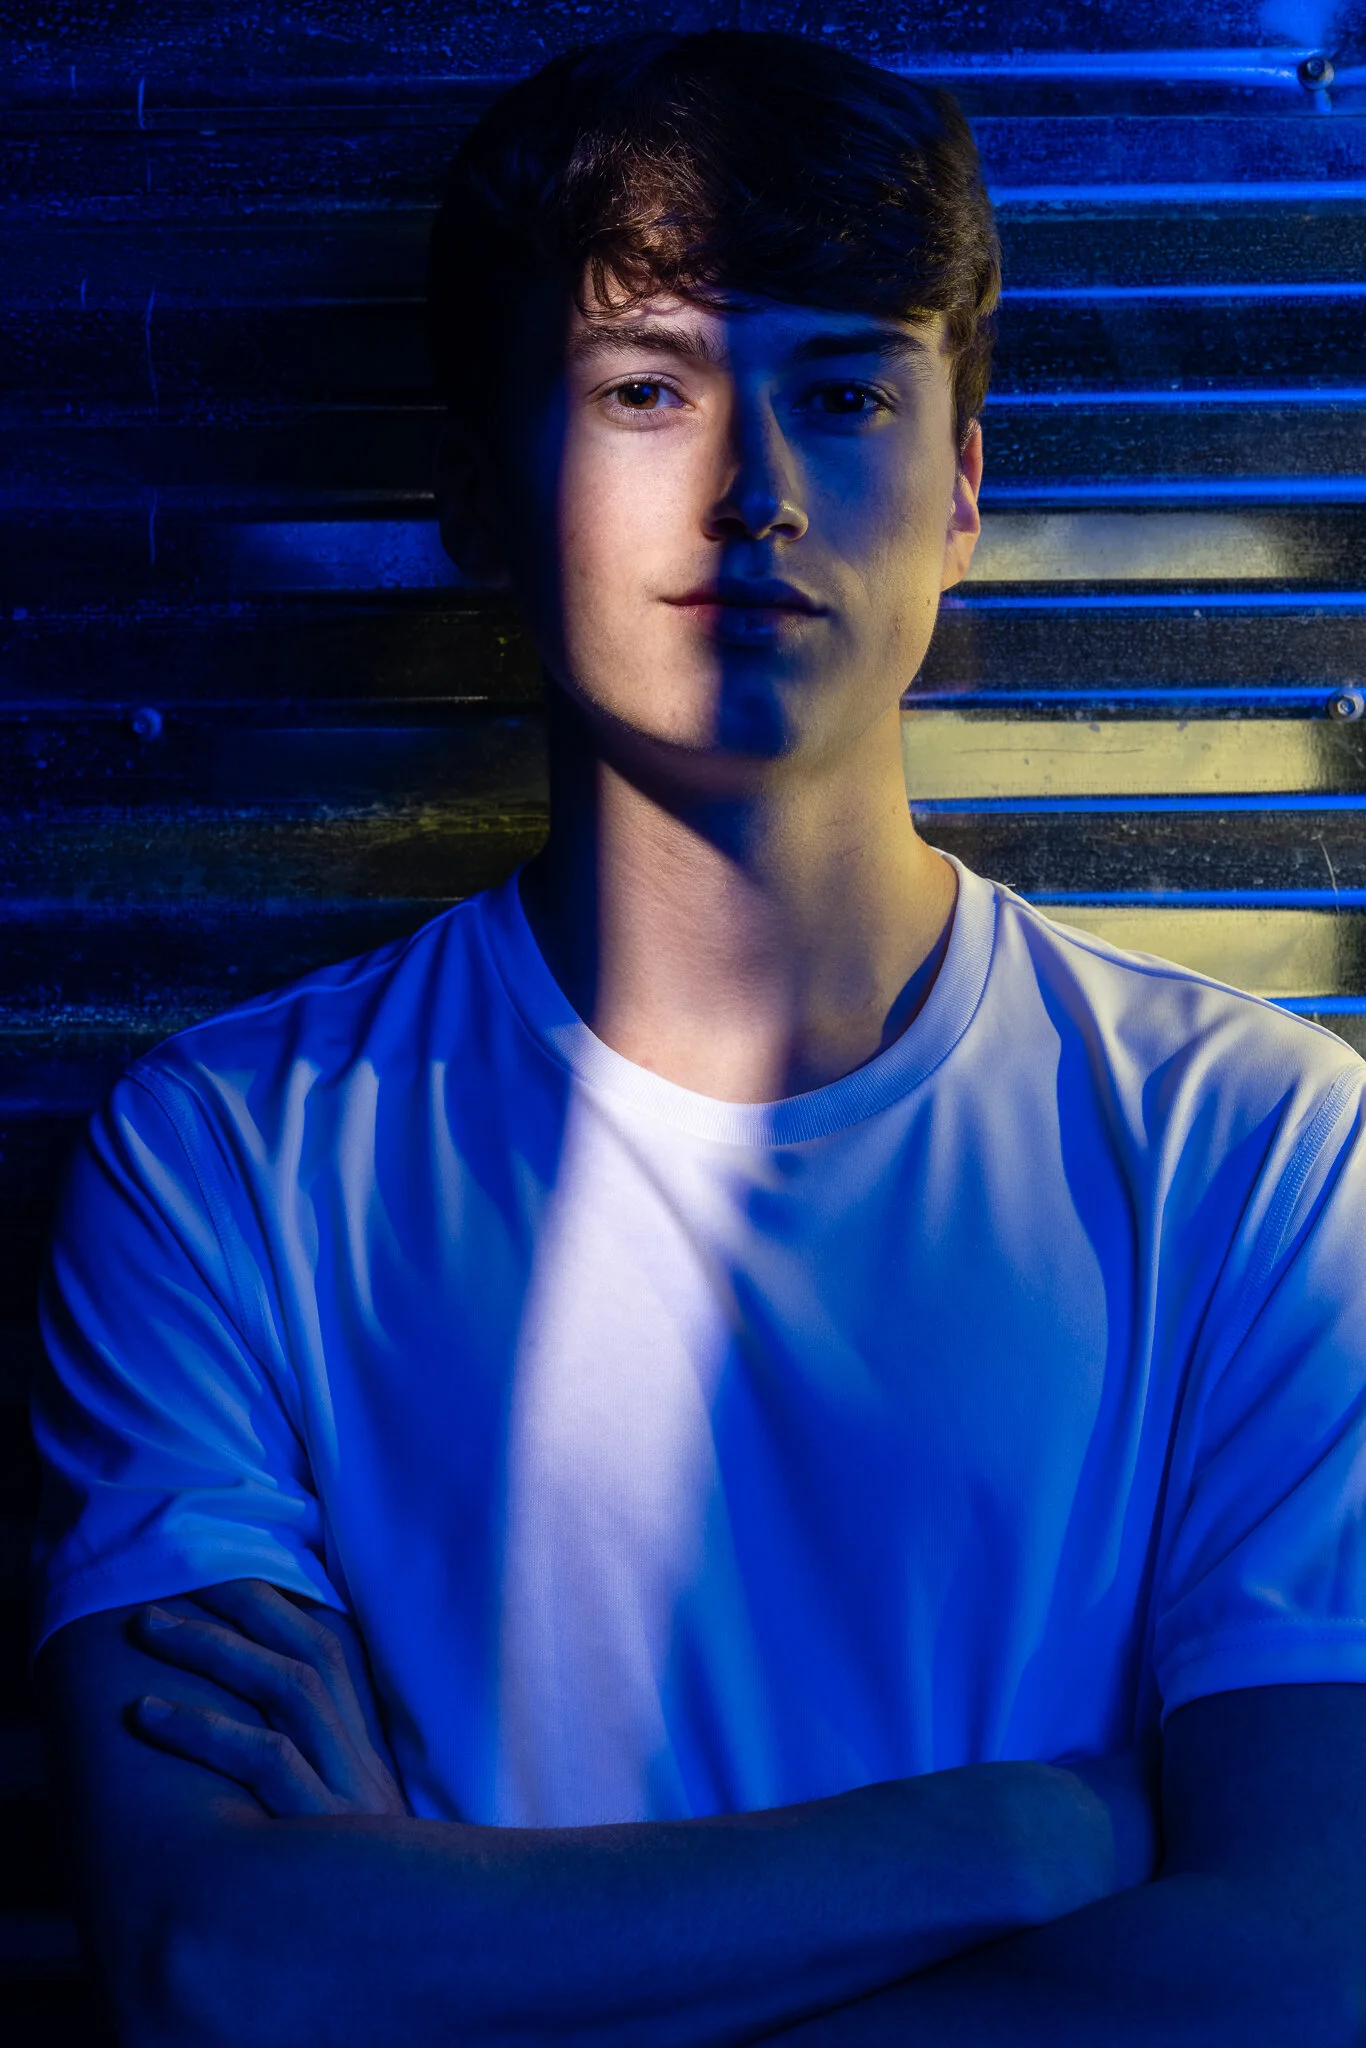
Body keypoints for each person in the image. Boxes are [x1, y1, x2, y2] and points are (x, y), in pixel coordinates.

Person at [29, 27, 1366, 2048]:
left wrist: (453, 1966)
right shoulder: (227, 1161)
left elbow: (1303, 1968)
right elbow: (223, 1963)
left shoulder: (1258, 1151)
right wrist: (1022, 1832)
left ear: (962, 489)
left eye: (844, 393)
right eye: (646, 389)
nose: (756, 494)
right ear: (479, 498)